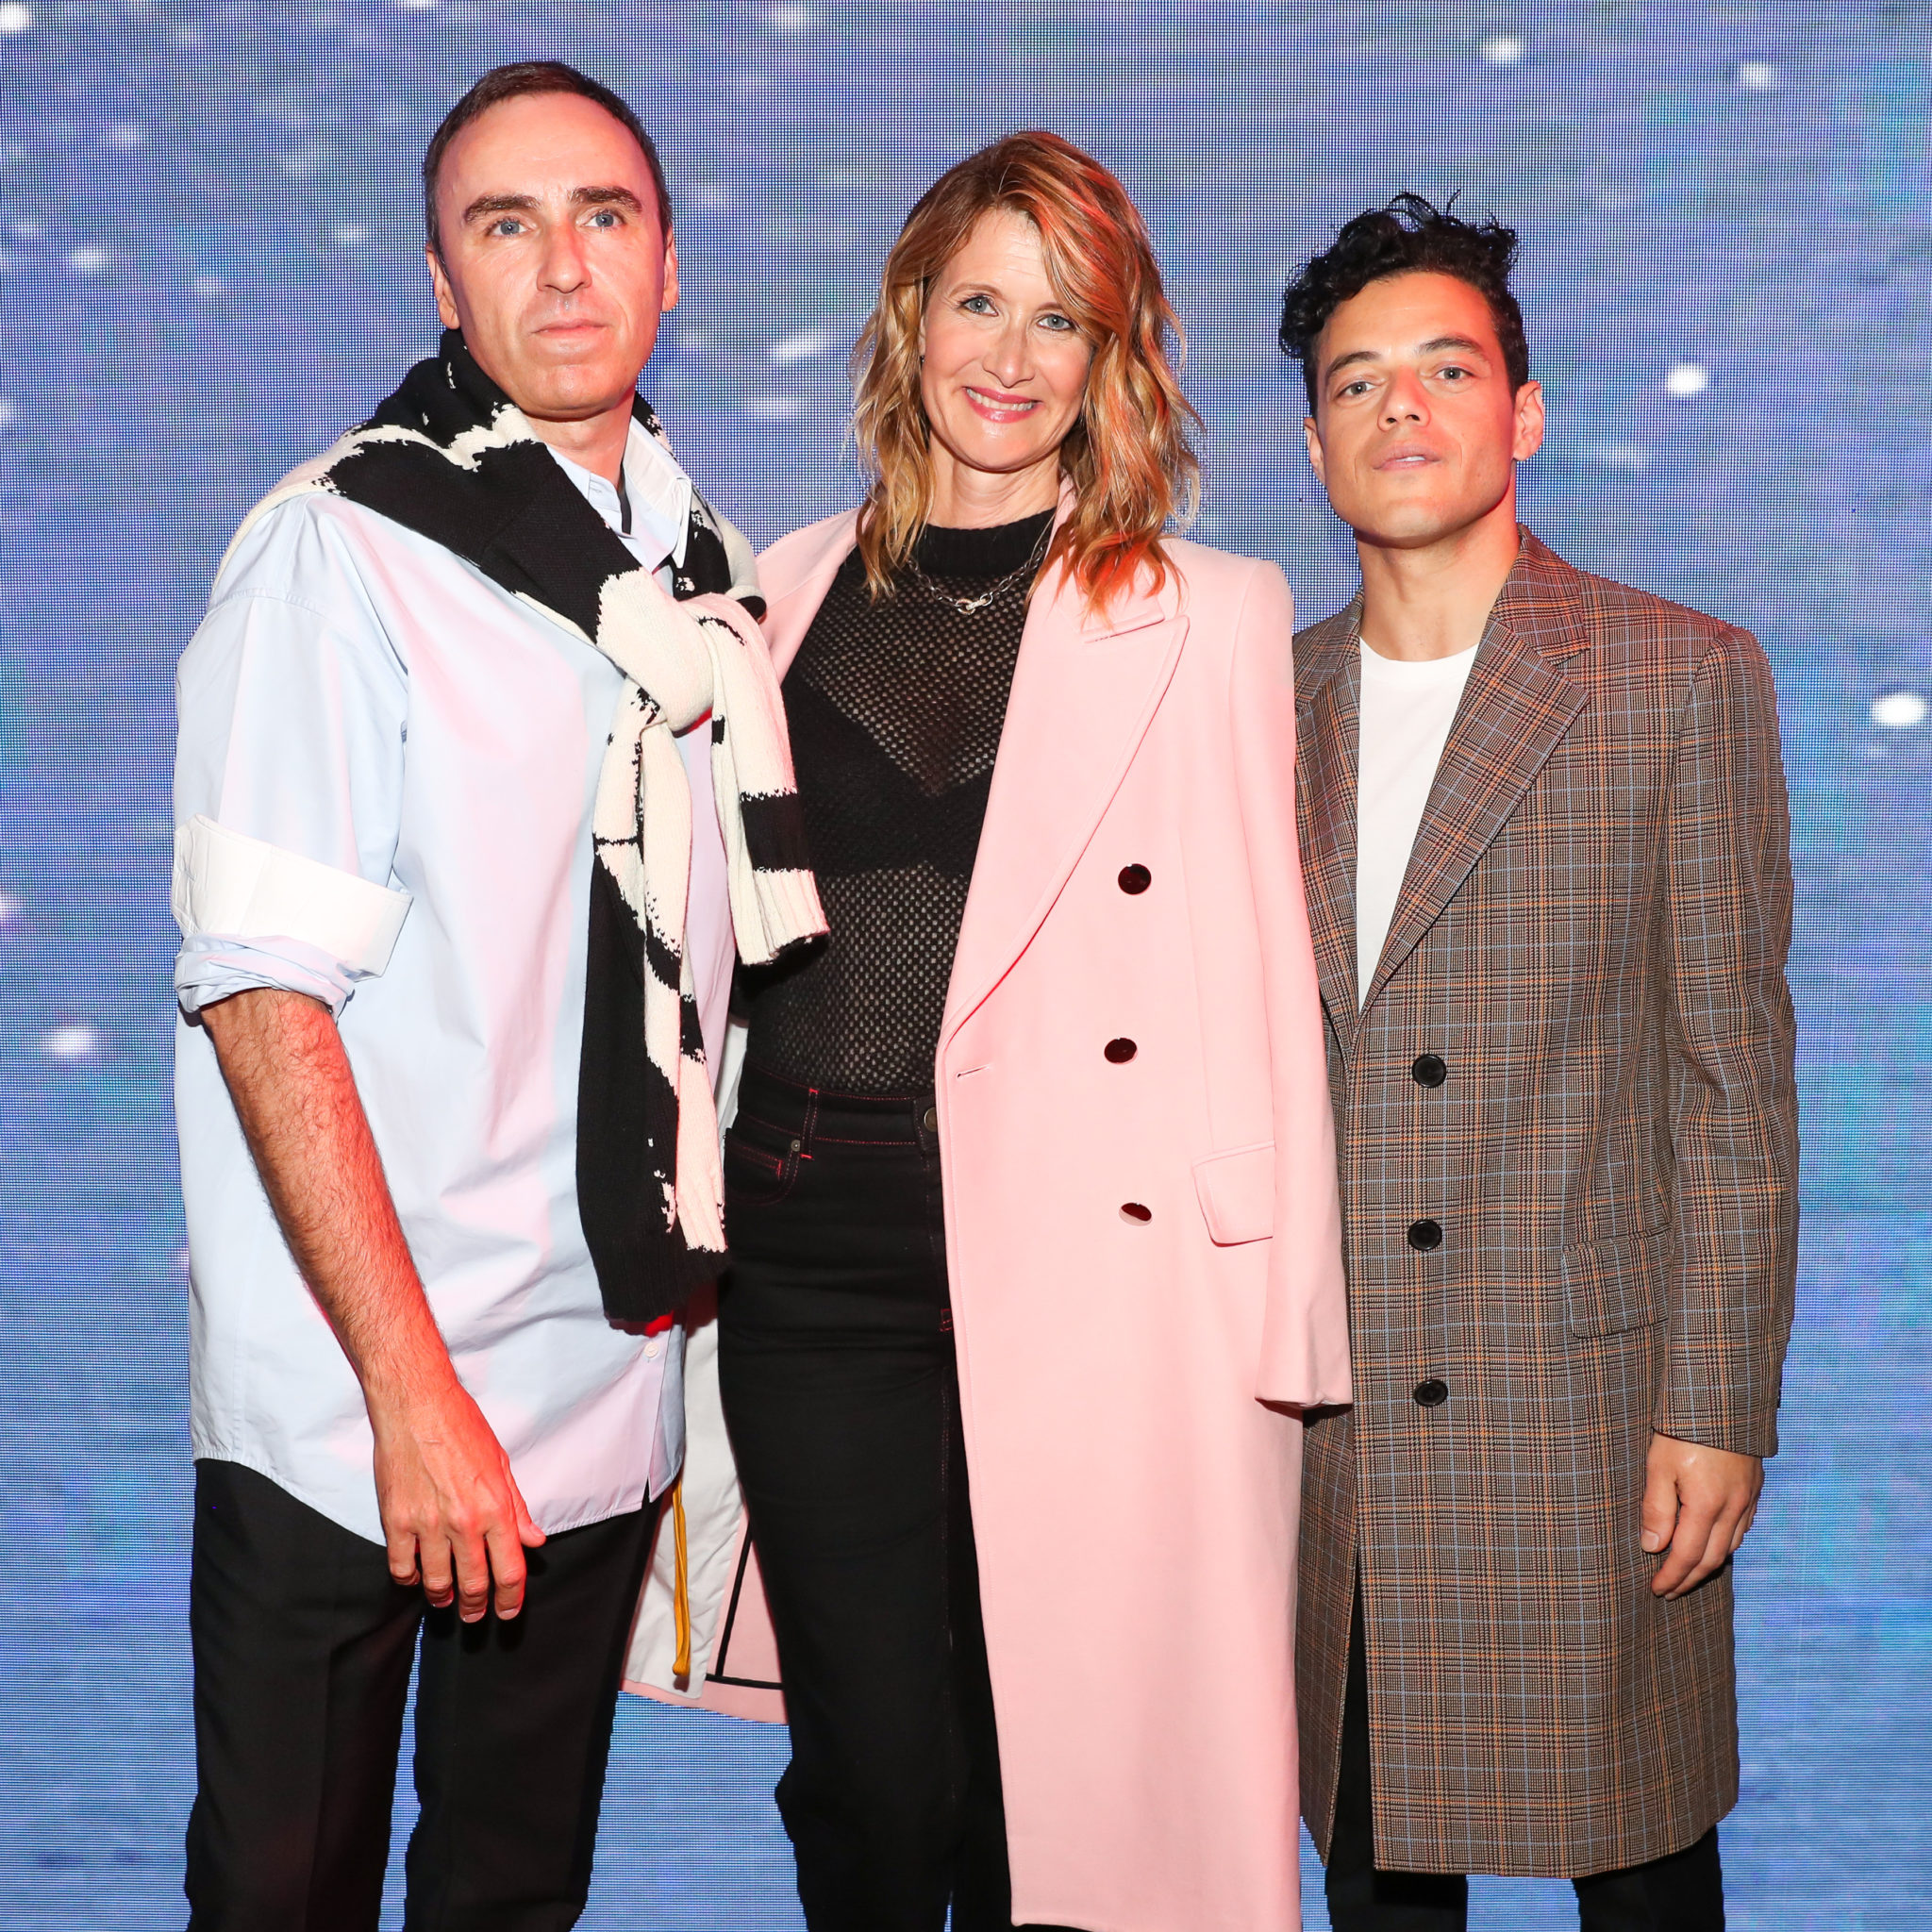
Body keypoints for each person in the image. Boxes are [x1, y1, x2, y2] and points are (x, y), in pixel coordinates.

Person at [170, 60, 821, 1929]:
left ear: (669, 263)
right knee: (280, 1898)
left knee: (514, 1895)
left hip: (594, 1374)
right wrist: (411, 1397)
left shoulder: (700, 571)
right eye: (504, 225)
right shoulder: (339, 547)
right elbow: (264, 996)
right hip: (357, 1405)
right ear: (442, 281)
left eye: (602, 216)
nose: (561, 266)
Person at [710, 130, 1349, 1932]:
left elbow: (1266, 972)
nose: (1008, 355)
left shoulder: (1208, 614)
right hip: (813, 1240)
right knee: (867, 1773)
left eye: (1058, 318)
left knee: (1055, 1772)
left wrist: (1282, 1320)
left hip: (1093, 1254)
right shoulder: (768, 599)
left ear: (1110, 357)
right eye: (979, 303)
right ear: (911, 318)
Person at [1277, 193, 1798, 1930]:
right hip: (1343, 1429)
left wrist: (1717, 1402)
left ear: (1527, 410)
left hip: (1586, 1414)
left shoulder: (1675, 678)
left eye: (1447, 367)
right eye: (1357, 380)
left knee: (1642, 1874)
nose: (1402, 407)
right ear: (1315, 442)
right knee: (1376, 1878)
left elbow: (1733, 1083)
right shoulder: (1255, 705)